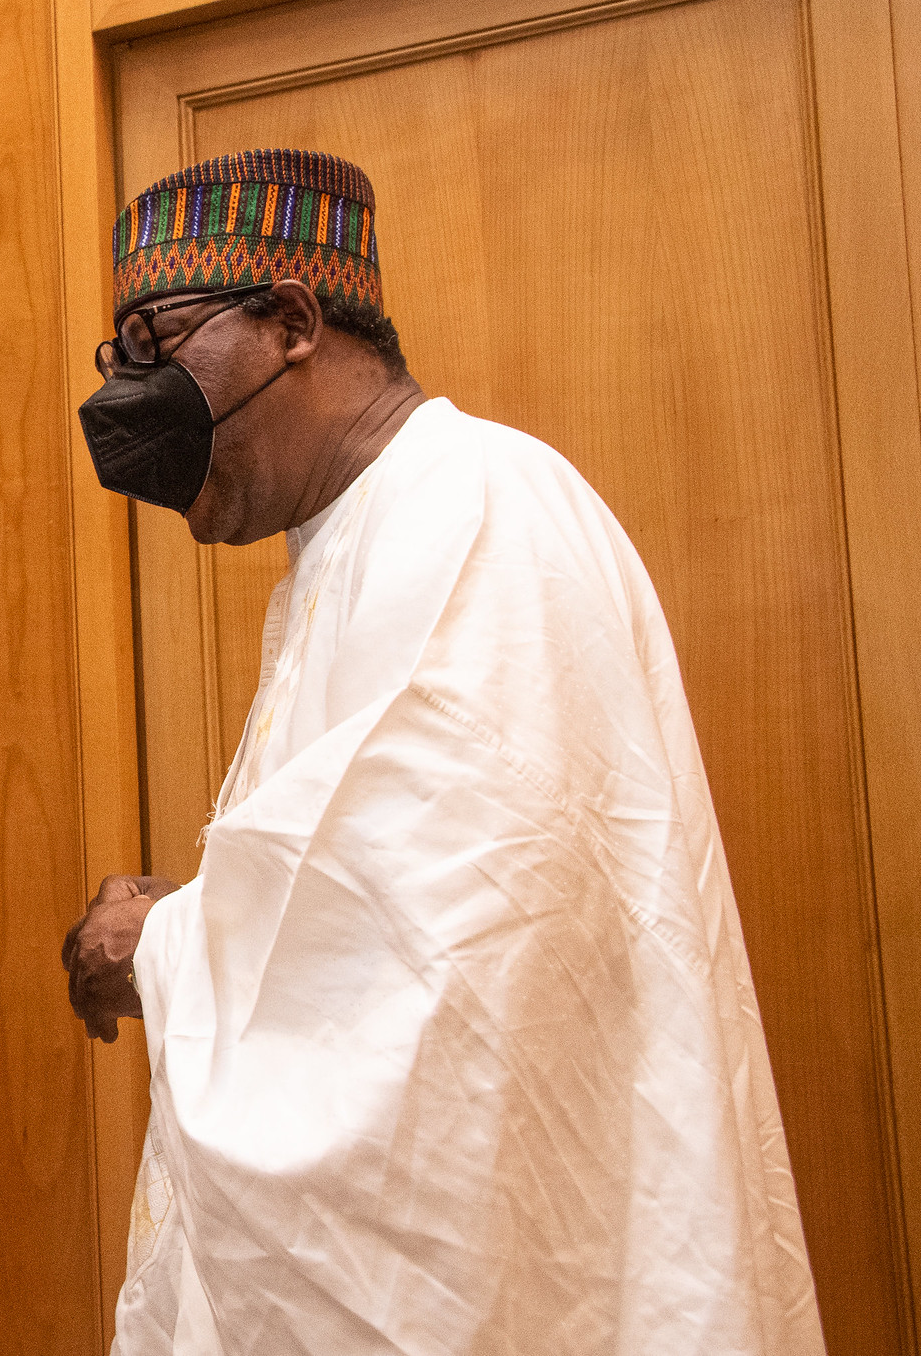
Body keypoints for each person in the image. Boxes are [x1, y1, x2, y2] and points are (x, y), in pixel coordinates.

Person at [62, 150, 823, 1353]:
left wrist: (153, 943)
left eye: (157, 349)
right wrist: (189, 939)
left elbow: (450, 953)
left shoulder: (474, 511)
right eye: (120, 363)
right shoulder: (360, 530)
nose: (126, 405)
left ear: (294, 322)